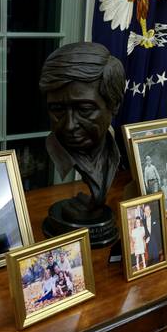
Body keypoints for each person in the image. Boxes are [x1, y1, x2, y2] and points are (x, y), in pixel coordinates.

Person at [39, 42, 125, 212]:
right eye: (58, 110)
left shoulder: (114, 156)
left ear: (114, 104)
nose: (69, 125)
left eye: (85, 109)